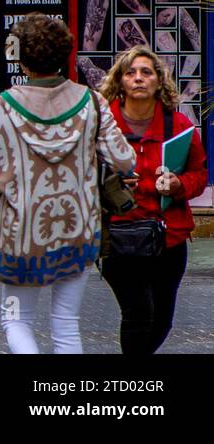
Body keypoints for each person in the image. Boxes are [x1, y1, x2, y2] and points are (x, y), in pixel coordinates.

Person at [0, 14, 137, 354]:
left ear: (22, 60)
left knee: (15, 318)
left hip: (22, 235)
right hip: (78, 229)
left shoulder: (4, 107)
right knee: (67, 323)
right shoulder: (92, 102)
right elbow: (125, 159)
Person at [98, 46, 206, 354]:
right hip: (119, 236)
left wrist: (178, 184)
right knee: (138, 313)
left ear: (159, 81)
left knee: (162, 319)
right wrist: (110, 185)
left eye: (146, 72)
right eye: (130, 73)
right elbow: (80, 174)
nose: (138, 79)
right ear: (119, 81)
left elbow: (199, 175)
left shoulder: (180, 127)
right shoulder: (103, 128)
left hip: (167, 239)